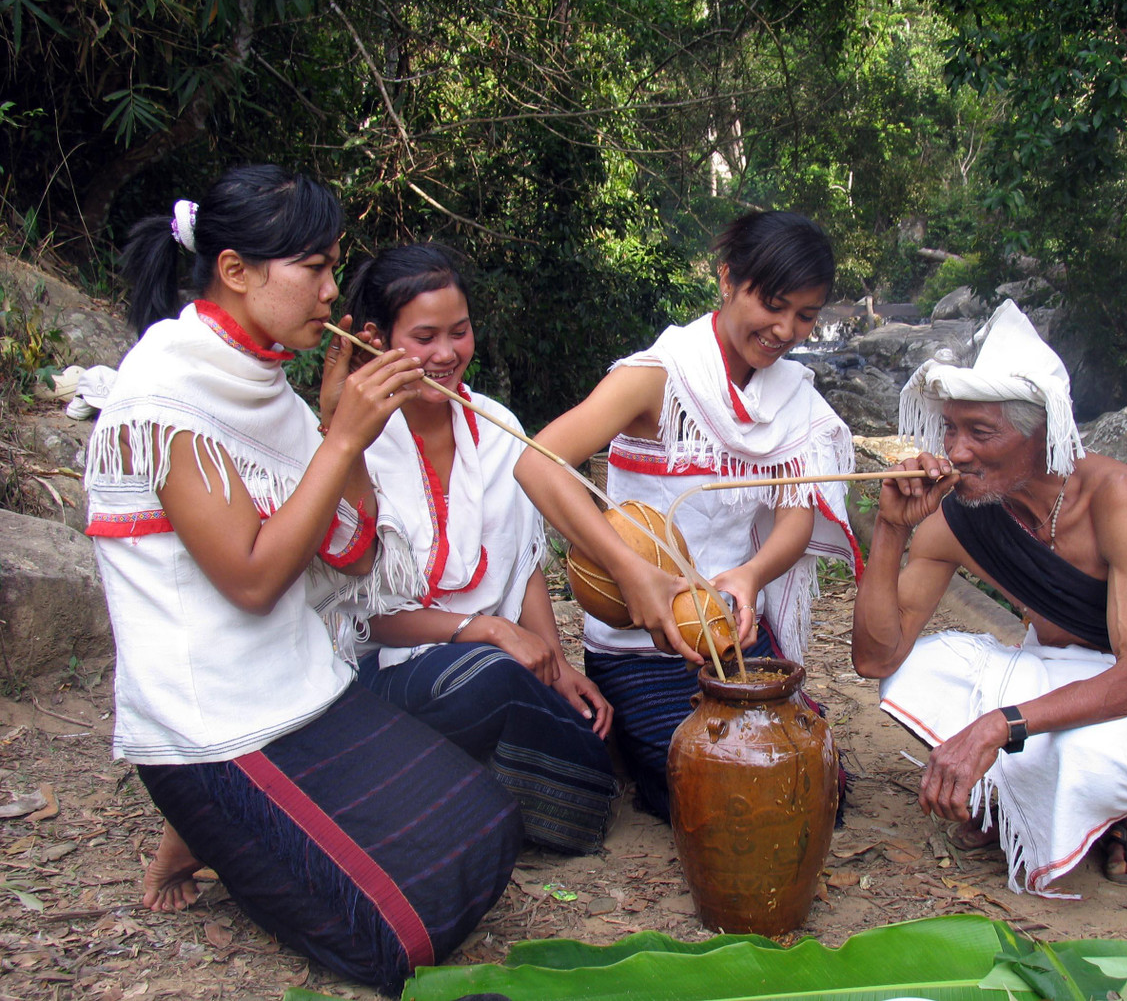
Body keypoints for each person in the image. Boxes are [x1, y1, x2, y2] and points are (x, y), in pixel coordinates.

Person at [85, 167, 521, 992]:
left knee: (489, 828)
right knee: (398, 937)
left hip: (298, 692)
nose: (331, 290)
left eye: (330, 267)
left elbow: (351, 557)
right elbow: (250, 580)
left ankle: (228, 832)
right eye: (313, 268)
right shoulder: (165, 397)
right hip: (210, 722)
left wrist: (335, 425)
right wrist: (341, 442)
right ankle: (210, 822)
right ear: (236, 270)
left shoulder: (270, 388)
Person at [851, 300, 1127, 897]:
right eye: (951, 429)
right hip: (1054, 674)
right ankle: (1018, 796)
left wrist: (994, 727)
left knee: (1106, 754)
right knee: (915, 675)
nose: (957, 452)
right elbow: (876, 659)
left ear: (1042, 433)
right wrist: (891, 530)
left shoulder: (1118, 498)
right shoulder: (962, 516)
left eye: (981, 432)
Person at [515, 211, 861, 819]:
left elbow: (794, 519)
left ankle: (640, 741)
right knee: (713, 792)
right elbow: (538, 465)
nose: (785, 329)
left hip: (730, 631)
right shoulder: (657, 378)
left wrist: (751, 577)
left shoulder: (791, 398)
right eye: (772, 304)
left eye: (805, 315)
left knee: (813, 789)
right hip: (637, 644)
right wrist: (629, 571)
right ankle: (633, 736)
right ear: (727, 280)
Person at [327, 243, 619, 854]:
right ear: (377, 340)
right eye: (424, 336)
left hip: (497, 661)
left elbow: (523, 563)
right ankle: (474, 791)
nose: (446, 354)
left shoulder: (496, 425)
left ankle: (465, 791)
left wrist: (558, 664)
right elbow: (359, 608)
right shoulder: (351, 442)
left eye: (459, 333)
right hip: (384, 671)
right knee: (490, 680)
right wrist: (484, 630)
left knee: (592, 726)